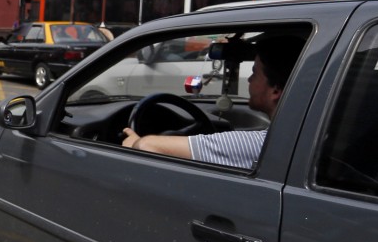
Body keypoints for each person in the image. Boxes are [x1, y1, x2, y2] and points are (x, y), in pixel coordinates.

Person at [121, 35, 305, 169]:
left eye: (255, 73)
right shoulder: (303, 135)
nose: (249, 79)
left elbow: (148, 147)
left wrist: (134, 143)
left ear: (276, 90)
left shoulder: (260, 144)